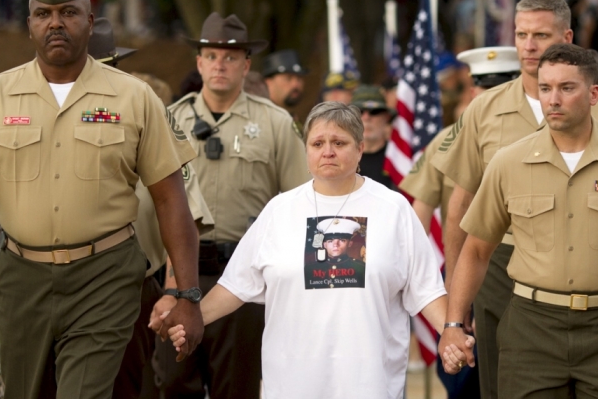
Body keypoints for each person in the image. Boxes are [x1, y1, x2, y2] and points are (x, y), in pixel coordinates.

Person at [0, 0, 203, 398]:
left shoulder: (135, 98)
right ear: (29, 24)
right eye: (44, 14)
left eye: (69, 13)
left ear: (89, 20)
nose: (55, 24)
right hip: (22, 280)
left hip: (106, 277)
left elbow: (172, 200)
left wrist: (187, 295)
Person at [155, 102, 474, 399]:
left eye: (340, 142)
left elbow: (426, 290)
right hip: (292, 384)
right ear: (306, 150)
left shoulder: (394, 209)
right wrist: (188, 317)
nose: (328, 152)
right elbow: (236, 286)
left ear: (360, 149)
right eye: (318, 143)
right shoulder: (279, 211)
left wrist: (452, 330)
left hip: (370, 383)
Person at [431, 0, 598, 399]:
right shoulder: (483, 109)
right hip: (497, 260)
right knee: (499, 386)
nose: (528, 46)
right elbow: (461, 204)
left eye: (540, 36)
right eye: (521, 34)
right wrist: (457, 301)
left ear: (567, 36)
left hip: (587, 264)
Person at [151, 11, 310, 399]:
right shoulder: (170, 119)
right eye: (212, 56)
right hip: (179, 276)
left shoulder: (275, 123)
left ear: (246, 65)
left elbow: (302, 202)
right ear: (199, 62)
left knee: (235, 386)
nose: (220, 65)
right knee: (173, 382)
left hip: (244, 279)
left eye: (231, 57)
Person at [399, 46, 519, 399]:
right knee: (471, 377)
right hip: (472, 271)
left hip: (531, 270)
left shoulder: (541, 138)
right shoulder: (445, 141)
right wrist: (432, 283)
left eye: (503, 85)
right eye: (485, 87)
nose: (492, 96)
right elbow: (420, 214)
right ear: (472, 92)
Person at [350, 84, 395, 189]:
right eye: (359, 111)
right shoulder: (339, 157)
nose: (366, 117)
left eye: (375, 111)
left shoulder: (399, 158)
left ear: (387, 117)